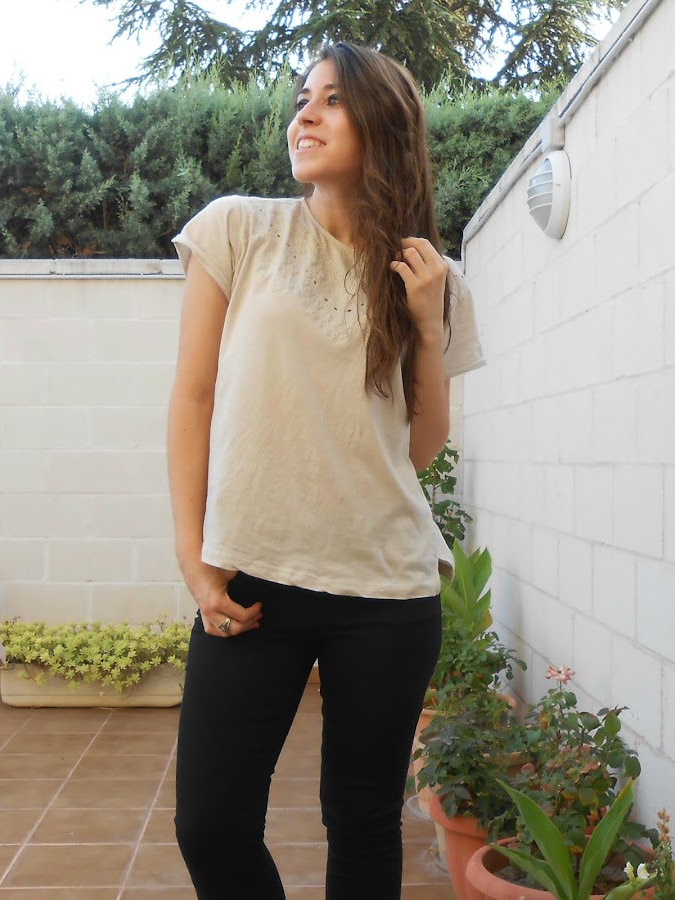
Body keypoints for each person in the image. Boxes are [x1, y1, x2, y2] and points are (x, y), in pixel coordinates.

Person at [167, 41, 485, 900]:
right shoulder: (239, 229)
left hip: (385, 589)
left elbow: (418, 447)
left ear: (384, 124)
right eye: (303, 97)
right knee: (210, 824)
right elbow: (192, 399)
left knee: (364, 820)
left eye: (332, 99)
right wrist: (195, 559)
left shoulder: (431, 278)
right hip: (253, 579)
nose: (303, 114)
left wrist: (427, 323)